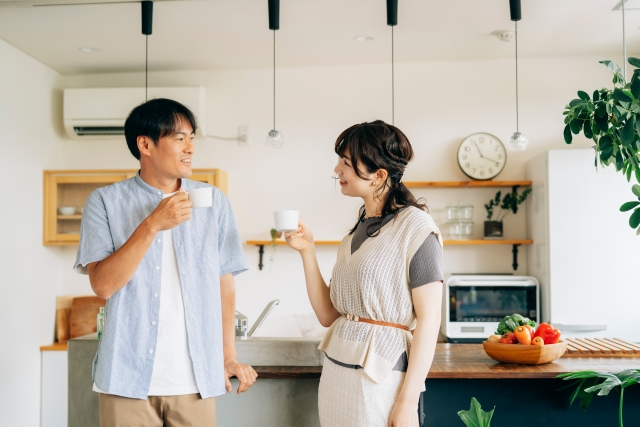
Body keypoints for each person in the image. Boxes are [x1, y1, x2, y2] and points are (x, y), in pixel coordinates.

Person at [74, 98, 257, 427]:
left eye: (191, 137)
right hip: (125, 379)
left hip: (196, 380)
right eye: (178, 138)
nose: (190, 147)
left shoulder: (213, 201)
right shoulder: (103, 201)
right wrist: (152, 224)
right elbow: (103, 285)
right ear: (145, 144)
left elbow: (223, 283)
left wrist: (228, 356)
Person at [285, 120, 443, 427]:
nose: (337, 169)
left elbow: (429, 319)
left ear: (378, 176)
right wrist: (308, 251)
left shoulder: (417, 228)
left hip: (379, 377)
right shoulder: (355, 234)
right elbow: (329, 315)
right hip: (336, 373)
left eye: (346, 162)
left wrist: (407, 404)